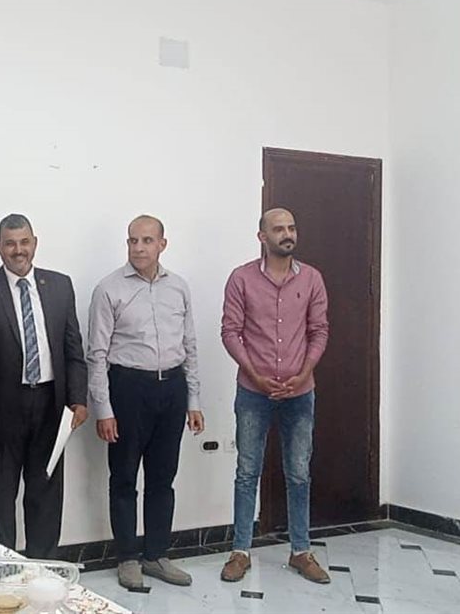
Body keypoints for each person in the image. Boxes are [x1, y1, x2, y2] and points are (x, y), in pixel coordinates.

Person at [88, 214, 204, 592]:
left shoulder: (179, 288)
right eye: (133, 240)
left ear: (162, 245)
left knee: (162, 478)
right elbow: (96, 354)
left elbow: (190, 346)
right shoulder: (108, 289)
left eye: (147, 240)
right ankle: (127, 558)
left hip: (171, 389)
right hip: (128, 390)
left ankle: (156, 554)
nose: (138, 248)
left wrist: (193, 400)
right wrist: (104, 409)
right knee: (123, 478)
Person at [0, 213, 88, 558]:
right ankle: (4, 572)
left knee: (45, 496)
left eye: (24, 242)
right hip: (1, 409)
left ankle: (43, 571)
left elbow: (73, 349)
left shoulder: (60, 285)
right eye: (10, 244)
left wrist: (78, 399)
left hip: (51, 405)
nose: (18, 250)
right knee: (0, 500)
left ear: (35, 243)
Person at [219, 208, 331, 585]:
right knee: (247, 471)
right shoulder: (241, 279)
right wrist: (255, 374)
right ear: (262, 237)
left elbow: (319, 331)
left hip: (300, 393)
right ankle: (240, 551)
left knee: (299, 472)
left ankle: (301, 551)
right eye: (279, 229)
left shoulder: (312, 278)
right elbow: (230, 331)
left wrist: (304, 373)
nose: (287, 234)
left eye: (292, 228)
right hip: (254, 391)